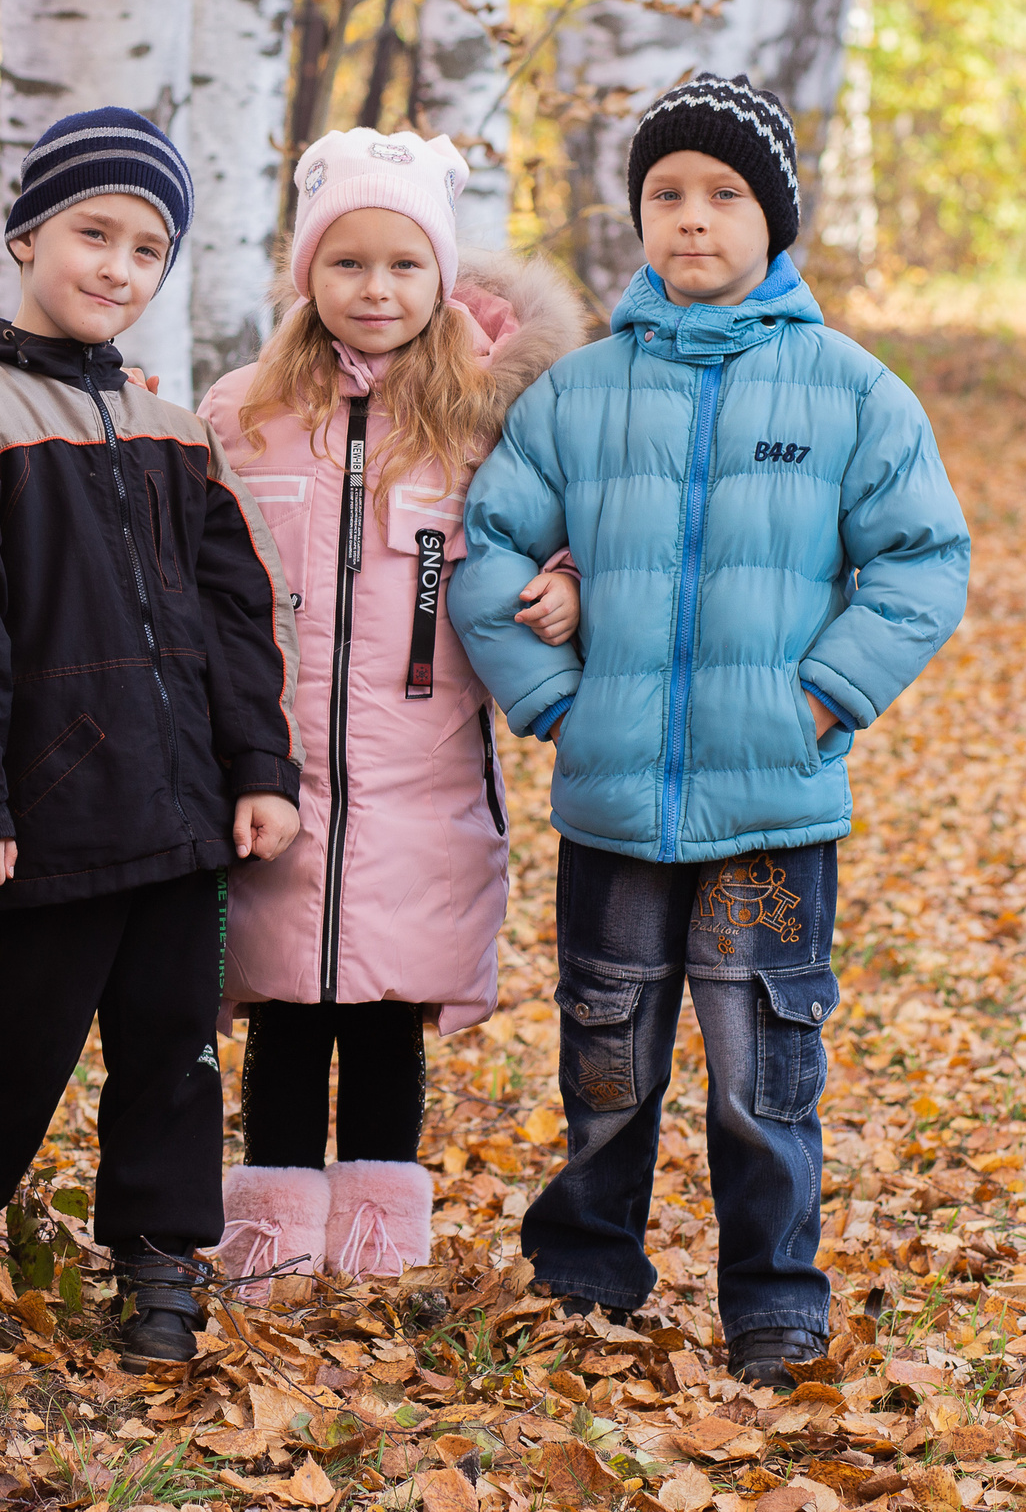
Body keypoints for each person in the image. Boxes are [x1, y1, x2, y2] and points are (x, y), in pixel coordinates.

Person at [447, 73, 971, 1389]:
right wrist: (556, 698)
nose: (692, 219)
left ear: (773, 221)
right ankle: (586, 1273)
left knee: (761, 1068)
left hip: (771, 807)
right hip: (616, 801)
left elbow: (920, 561)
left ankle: (774, 1294)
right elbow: (486, 551)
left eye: (724, 195)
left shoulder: (847, 390)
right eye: (667, 194)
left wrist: (821, 693)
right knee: (608, 1052)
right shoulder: (577, 394)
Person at [0, 107, 305, 1366]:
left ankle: (161, 1266)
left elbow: (241, 615)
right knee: (32, 1024)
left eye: (145, 248)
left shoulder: (173, 432)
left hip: (183, 806)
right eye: (91, 232)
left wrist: (260, 771)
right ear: (26, 234)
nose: (116, 266)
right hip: (51, 799)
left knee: (172, 1045)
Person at [196, 128, 594, 1287]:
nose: (376, 290)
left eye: (403, 266)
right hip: (275, 771)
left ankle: (376, 1239)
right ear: (305, 276)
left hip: (421, 772)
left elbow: (554, 523)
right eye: (349, 264)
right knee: (281, 1002)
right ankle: (268, 1229)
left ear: (442, 278)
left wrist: (564, 578)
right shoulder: (243, 412)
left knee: (383, 1007)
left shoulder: (482, 421)